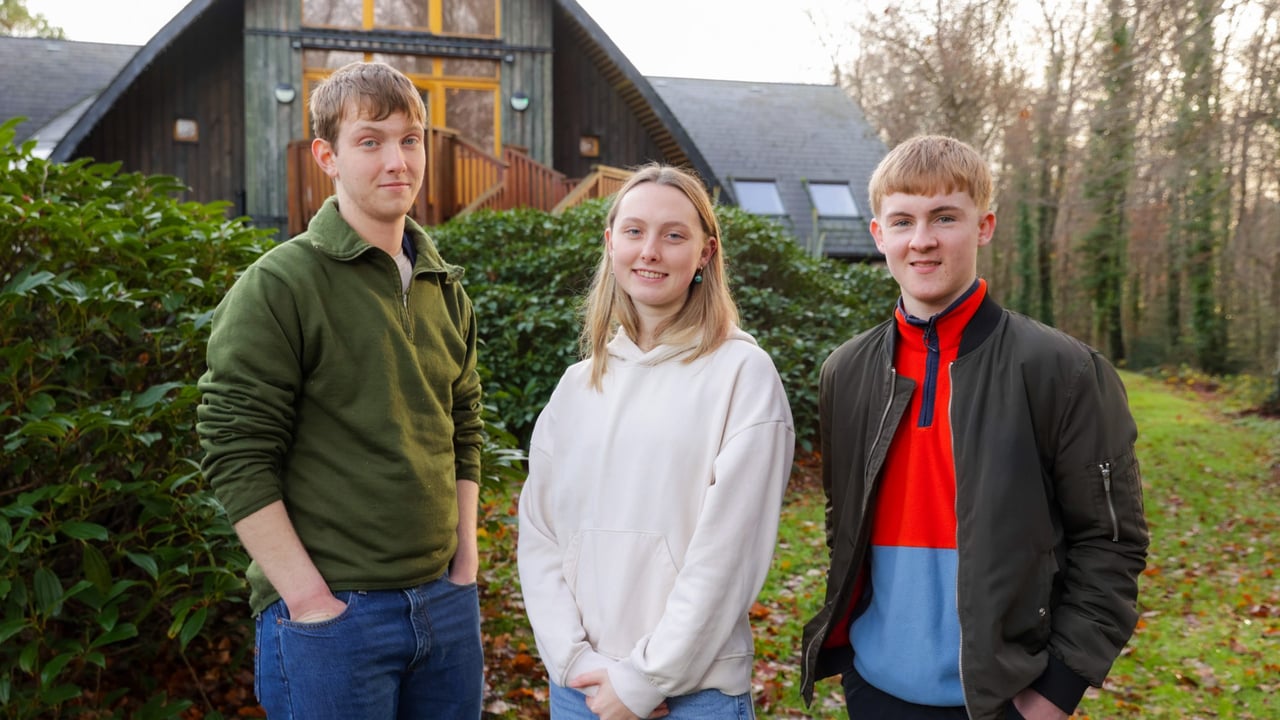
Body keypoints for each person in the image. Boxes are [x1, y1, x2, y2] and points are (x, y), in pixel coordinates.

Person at [798, 135, 1149, 720]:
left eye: (945, 217)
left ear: (983, 226)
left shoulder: (1061, 370)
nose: (923, 239)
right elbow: (845, 524)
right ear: (878, 234)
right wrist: (855, 672)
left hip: (1006, 698)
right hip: (874, 689)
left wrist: (1056, 693)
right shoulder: (847, 371)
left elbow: (1111, 541)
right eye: (903, 220)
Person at [196, 61, 484, 719]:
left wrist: (464, 565)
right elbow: (234, 450)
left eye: (410, 139)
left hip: (445, 606)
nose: (397, 160)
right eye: (371, 140)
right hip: (335, 617)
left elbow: (464, 423)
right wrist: (308, 601)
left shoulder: (445, 286)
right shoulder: (281, 285)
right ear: (327, 155)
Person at [517, 164, 795, 720]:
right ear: (610, 242)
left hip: (694, 696)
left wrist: (645, 680)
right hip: (581, 691)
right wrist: (571, 661)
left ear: (705, 253)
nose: (650, 251)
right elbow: (538, 534)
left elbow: (727, 556)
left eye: (674, 235)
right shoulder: (577, 385)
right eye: (634, 231)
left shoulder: (743, 374)